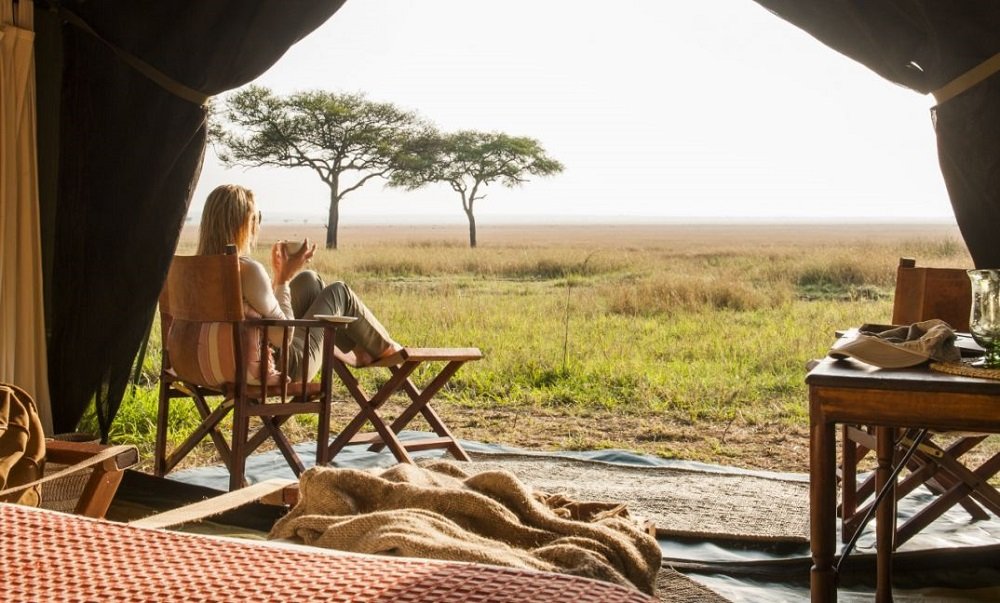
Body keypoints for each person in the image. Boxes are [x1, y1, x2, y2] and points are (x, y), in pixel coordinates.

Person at [196, 184, 401, 381]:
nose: (257, 225)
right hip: (278, 364)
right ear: (243, 224)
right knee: (340, 292)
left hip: (206, 365)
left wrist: (278, 277)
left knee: (309, 280)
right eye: (255, 218)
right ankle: (389, 350)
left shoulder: (193, 271)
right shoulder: (246, 270)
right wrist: (283, 280)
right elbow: (281, 337)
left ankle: (360, 349)